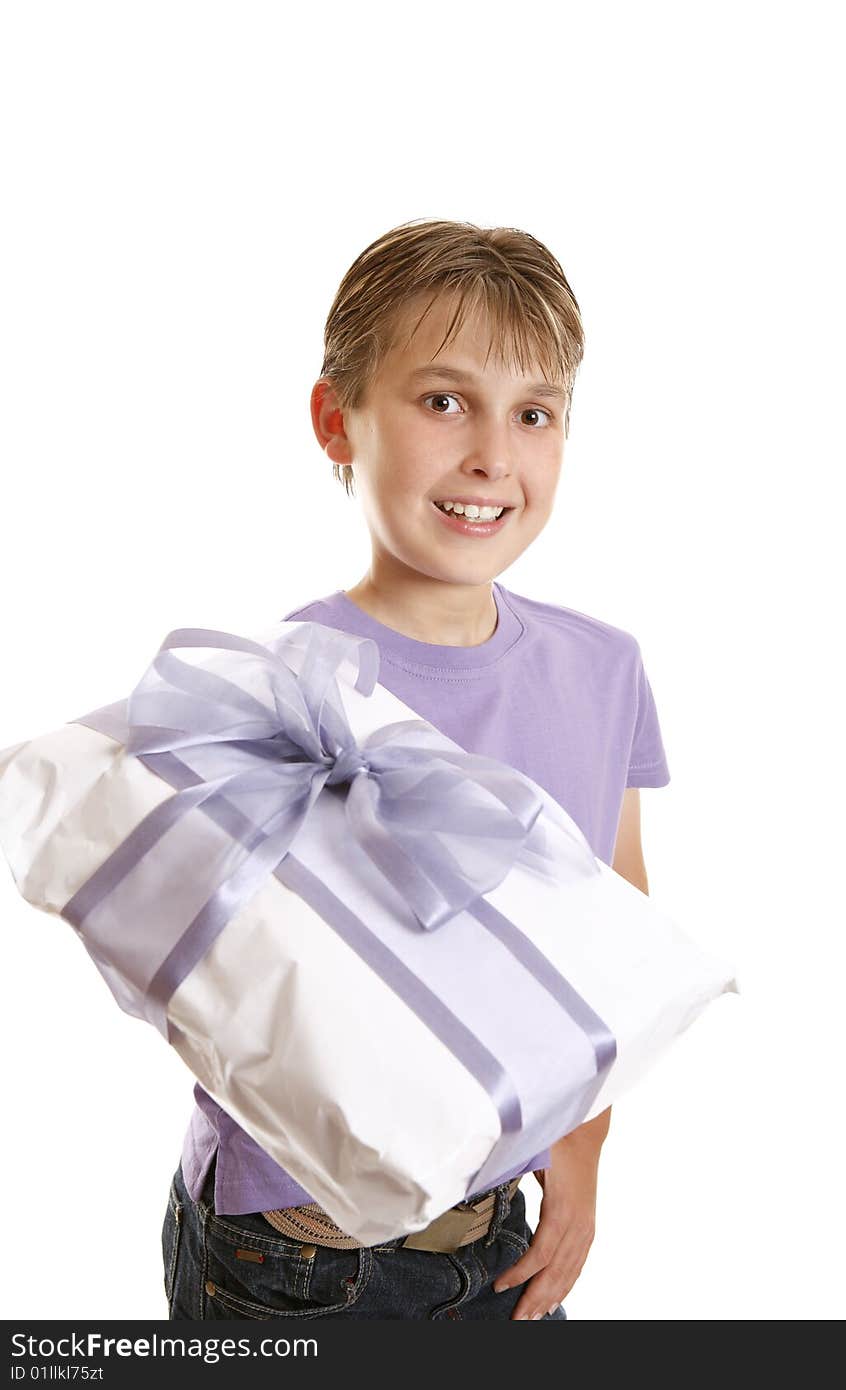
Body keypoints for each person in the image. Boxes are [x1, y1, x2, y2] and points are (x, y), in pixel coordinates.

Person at [162, 217, 671, 1321]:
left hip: (495, 1233)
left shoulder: (602, 670)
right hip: (296, 1251)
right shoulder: (283, 683)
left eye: (532, 413)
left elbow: (613, 945)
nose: (491, 454)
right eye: (443, 401)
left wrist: (582, 1143)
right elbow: (215, 978)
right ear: (334, 419)